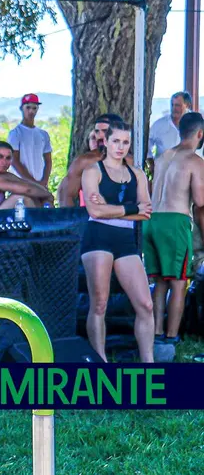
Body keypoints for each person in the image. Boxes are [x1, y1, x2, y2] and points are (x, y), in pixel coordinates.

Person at [80, 120, 154, 363]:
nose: (120, 147)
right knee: (99, 303)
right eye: (116, 141)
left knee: (145, 304)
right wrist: (130, 208)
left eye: (125, 142)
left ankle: (149, 364)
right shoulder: (93, 171)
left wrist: (112, 208)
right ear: (106, 142)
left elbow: (145, 213)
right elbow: (95, 212)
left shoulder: (137, 174)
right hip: (98, 237)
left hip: (125, 239)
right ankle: (101, 362)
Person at [143, 112, 204, 345]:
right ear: (200, 134)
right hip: (175, 222)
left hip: (152, 220)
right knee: (179, 283)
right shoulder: (195, 161)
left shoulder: (163, 156)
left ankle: (156, 333)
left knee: (160, 280)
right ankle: (171, 337)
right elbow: (200, 201)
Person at [57, 114, 132, 208]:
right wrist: (70, 219)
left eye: (105, 131)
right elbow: (66, 194)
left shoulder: (131, 162)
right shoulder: (84, 162)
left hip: (124, 218)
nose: (100, 136)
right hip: (92, 219)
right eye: (97, 131)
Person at [0, 141, 53, 212]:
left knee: (36, 197)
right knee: (21, 198)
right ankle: (40, 227)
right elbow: (27, 190)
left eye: (8, 158)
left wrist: (45, 196)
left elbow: (28, 185)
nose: (4, 162)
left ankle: (49, 225)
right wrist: (48, 194)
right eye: (0, 157)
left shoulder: (5, 175)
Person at [7, 93, 52, 188]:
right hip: (21, 185)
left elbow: (48, 160)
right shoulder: (15, 134)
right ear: (21, 108)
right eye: (28, 107)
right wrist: (32, 182)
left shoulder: (43, 134)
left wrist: (44, 181)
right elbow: (14, 160)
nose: (31, 111)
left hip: (40, 185)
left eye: (34, 108)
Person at [146, 91, 192, 169]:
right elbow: (147, 145)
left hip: (189, 173)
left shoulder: (196, 124)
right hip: (164, 174)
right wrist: (152, 166)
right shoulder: (159, 125)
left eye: (177, 105)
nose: (174, 108)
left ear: (187, 105)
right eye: (172, 105)